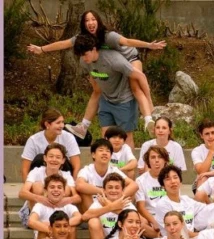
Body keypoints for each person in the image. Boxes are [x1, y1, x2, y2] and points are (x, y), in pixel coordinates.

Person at [30, 10, 163, 142]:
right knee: (97, 91)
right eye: (87, 20)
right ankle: (84, 126)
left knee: (135, 87)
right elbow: (63, 43)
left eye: (93, 19)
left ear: (98, 21)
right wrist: (41, 49)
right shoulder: (83, 40)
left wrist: (149, 45)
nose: (90, 23)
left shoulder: (108, 36)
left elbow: (127, 41)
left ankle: (148, 117)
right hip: (104, 64)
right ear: (83, 24)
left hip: (129, 58)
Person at [73, 34, 151, 146]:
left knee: (125, 137)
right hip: (106, 99)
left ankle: (129, 163)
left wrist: (148, 101)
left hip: (124, 100)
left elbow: (140, 76)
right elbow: (95, 80)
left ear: (94, 49)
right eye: (81, 55)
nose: (84, 58)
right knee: (106, 137)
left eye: (85, 54)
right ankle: (108, 163)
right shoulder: (84, 61)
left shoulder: (114, 60)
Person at [75, 139, 138, 213]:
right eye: (101, 150)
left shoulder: (113, 169)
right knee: (84, 191)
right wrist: (104, 192)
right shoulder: (87, 170)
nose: (105, 153)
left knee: (130, 190)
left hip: (112, 202)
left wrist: (119, 195)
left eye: (108, 151)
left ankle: (119, 213)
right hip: (94, 210)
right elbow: (79, 185)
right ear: (93, 154)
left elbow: (134, 185)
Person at [21, 109, 81, 182]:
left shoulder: (68, 137)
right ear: (47, 124)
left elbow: (76, 165)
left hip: (63, 176)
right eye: (58, 123)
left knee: (62, 158)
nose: (62, 125)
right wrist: (28, 187)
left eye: (62, 122)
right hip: (39, 180)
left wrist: (73, 185)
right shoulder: (33, 140)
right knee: (40, 157)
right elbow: (25, 169)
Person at [20, 143, 80, 215]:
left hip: (58, 212)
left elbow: (77, 197)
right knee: (37, 186)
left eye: (58, 157)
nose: (54, 160)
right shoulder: (36, 172)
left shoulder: (66, 175)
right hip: (36, 211)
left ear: (63, 160)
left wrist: (66, 200)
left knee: (66, 189)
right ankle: (36, 218)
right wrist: (40, 199)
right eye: (51, 156)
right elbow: (22, 193)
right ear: (45, 158)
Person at [82, 173, 135, 239]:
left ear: (122, 190)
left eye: (117, 187)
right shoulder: (99, 202)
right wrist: (110, 207)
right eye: (110, 187)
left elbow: (135, 220)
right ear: (104, 190)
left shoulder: (127, 203)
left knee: (131, 222)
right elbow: (84, 217)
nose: (113, 190)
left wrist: (111, 206)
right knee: (93, 221)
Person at [27, 175, 82, 239]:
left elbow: (79, 217)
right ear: (46, 191)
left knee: (72, 228)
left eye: (59, 187)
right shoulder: (40, 206)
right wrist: (50, 230)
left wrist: (58, 226)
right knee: (44, 226)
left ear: (64, 192)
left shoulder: (68, 206)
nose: (56, 190)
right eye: (52, 187)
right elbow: (31, 221)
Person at [154, 165, 205, 238]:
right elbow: (180, 232)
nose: (173, 181)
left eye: (175, 177)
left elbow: (208, 209)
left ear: (180, 182)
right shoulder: (162, 204)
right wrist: (203, 235)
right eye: (168, 179)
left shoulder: (186, 200)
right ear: (163, 186)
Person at [134, 146, 169, 239]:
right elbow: (141, 207)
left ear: (165, 160)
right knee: (140, 223)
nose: (156, 160)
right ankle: (164, 238)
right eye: (153, 157)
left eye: (160, 157)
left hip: (168, 214)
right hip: (150, 216)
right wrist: (154, 222)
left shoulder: (171, 178)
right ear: (148, 161)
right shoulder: (140, 180)